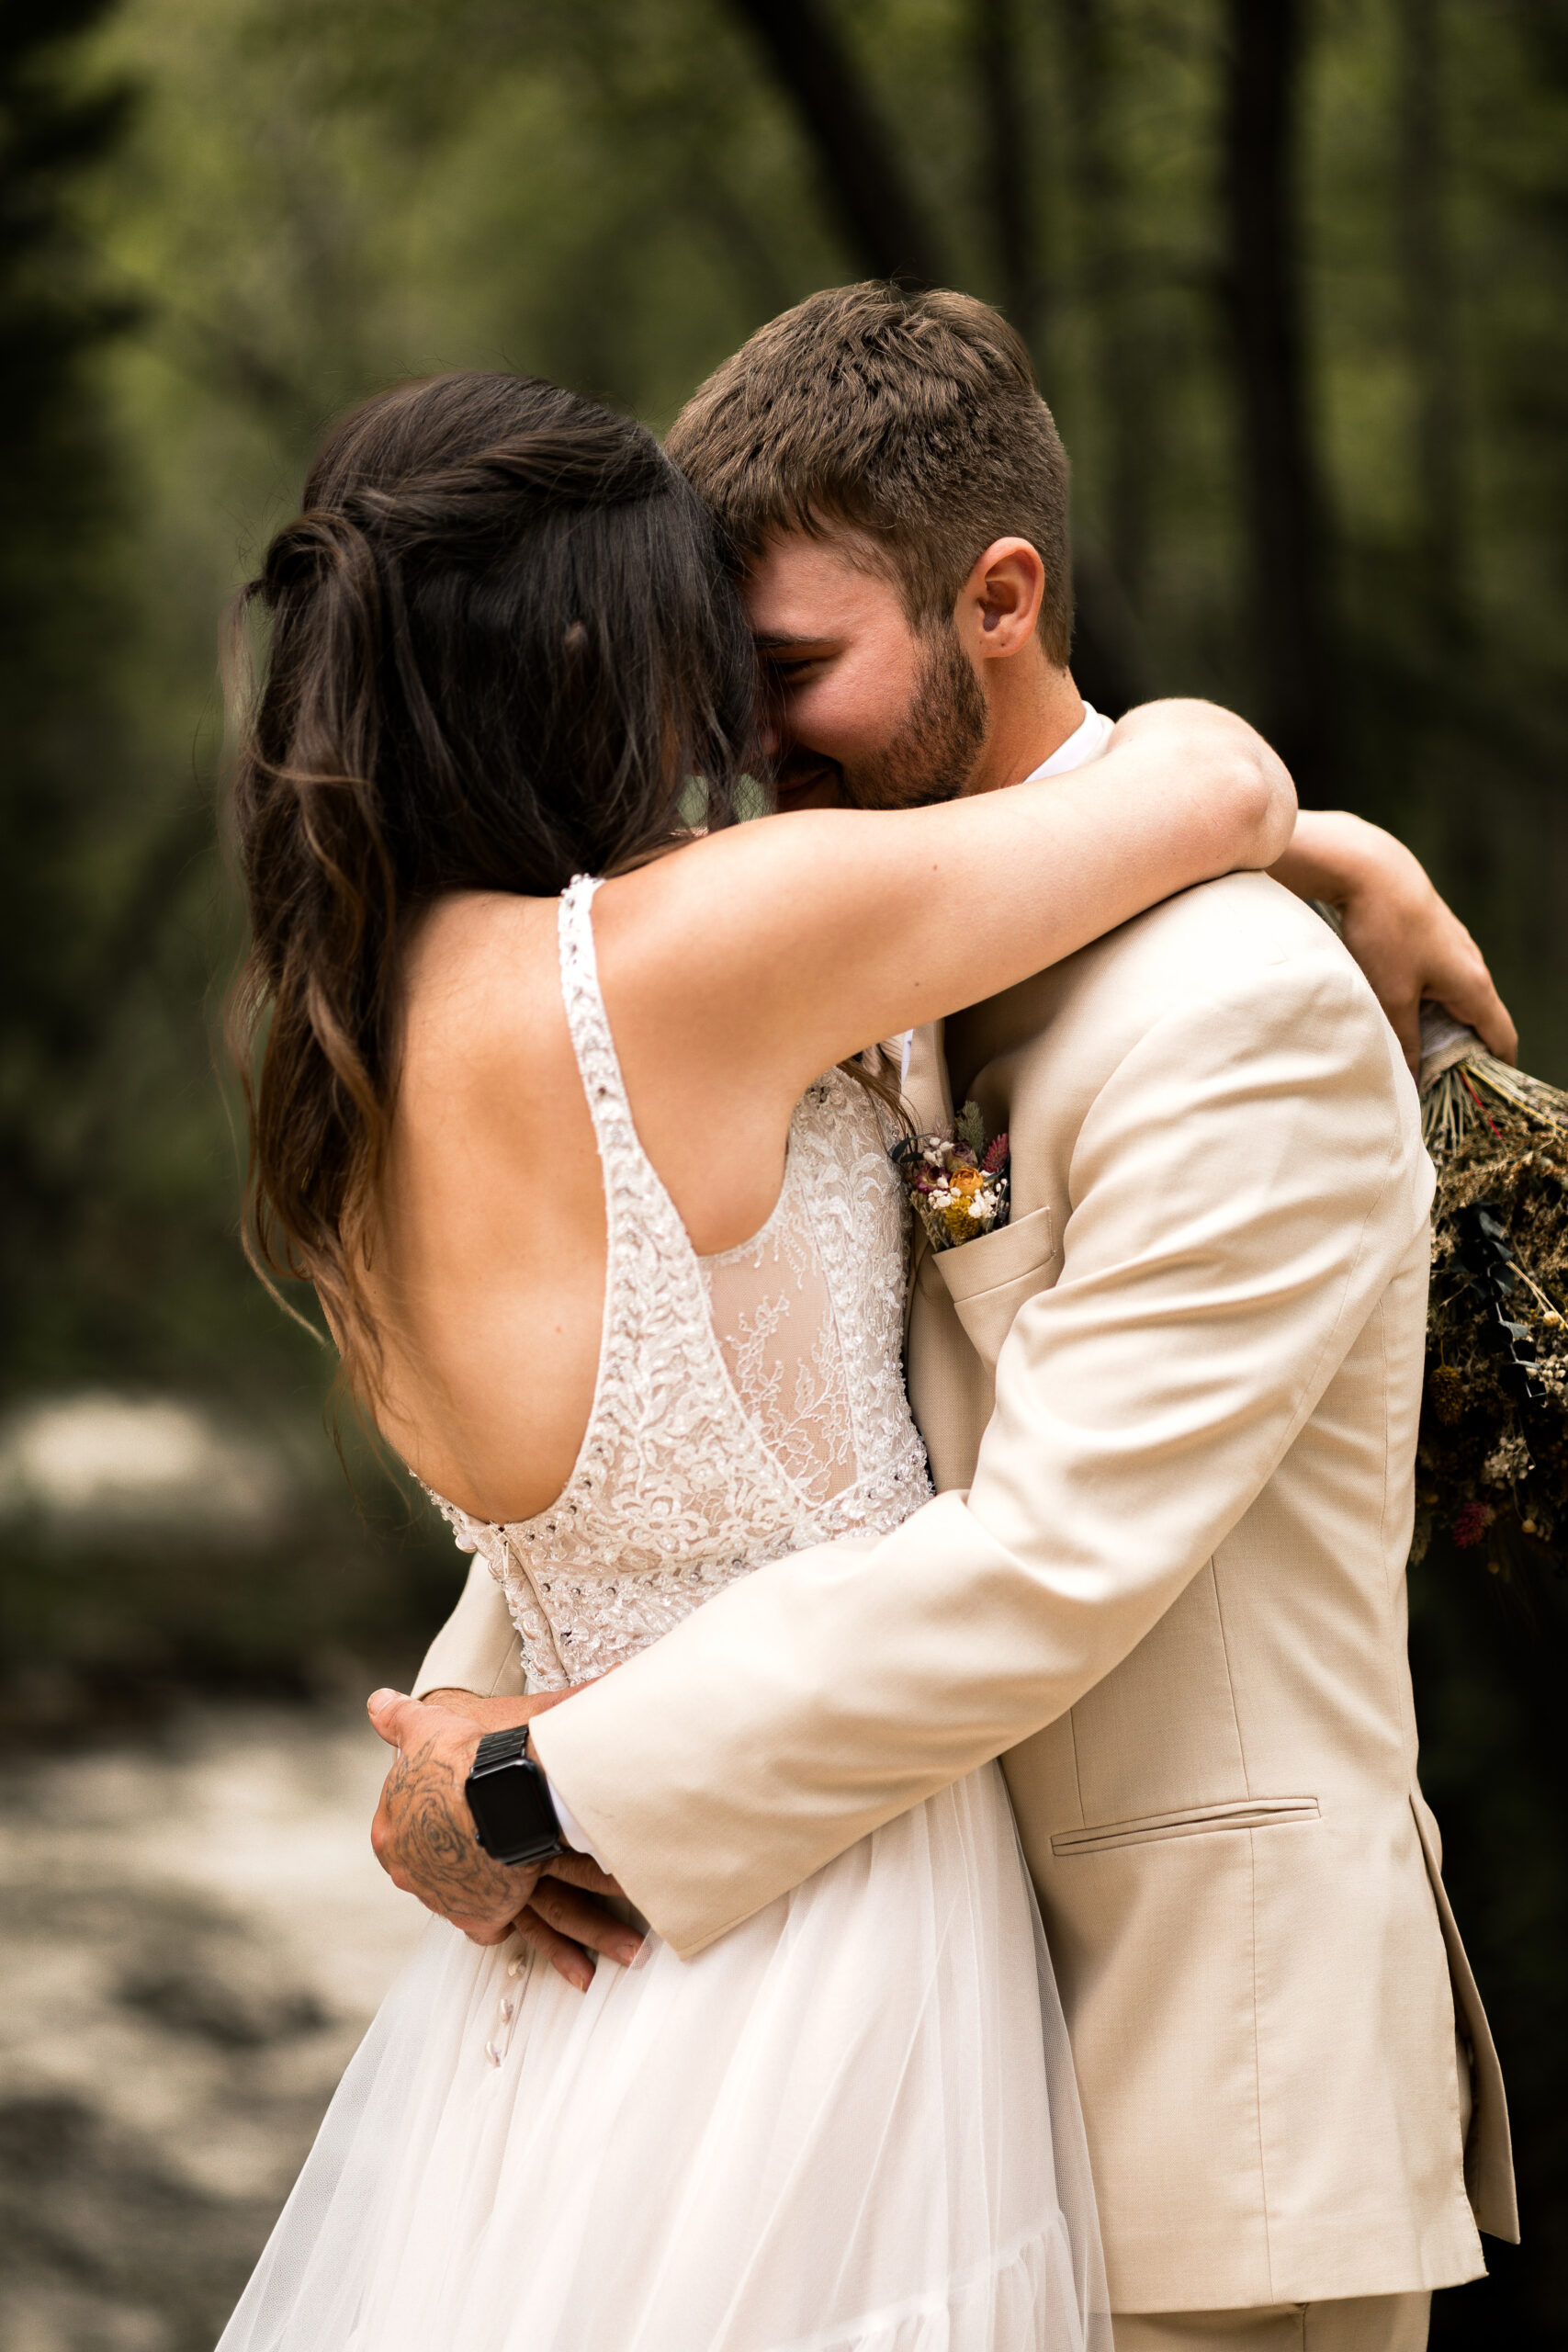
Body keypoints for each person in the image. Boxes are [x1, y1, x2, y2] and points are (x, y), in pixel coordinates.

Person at [379, 288, 1518, 2352]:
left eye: (792, 669)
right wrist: (464, 1704)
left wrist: (544, 1777)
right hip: (899, 2076)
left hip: (1204, 2111)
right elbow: (736, 1425)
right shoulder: (874, 950)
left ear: (996, 597)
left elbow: (1042, 1557)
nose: (739, 745)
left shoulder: (1236, 1013)